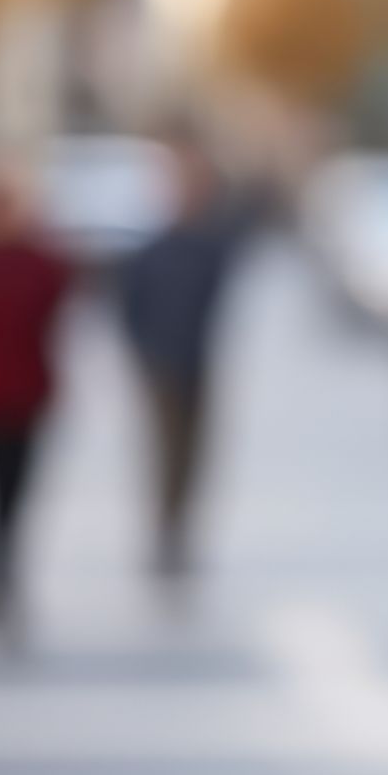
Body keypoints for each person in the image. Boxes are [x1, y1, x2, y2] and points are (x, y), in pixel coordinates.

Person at [114, 136, 250, 581]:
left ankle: (180, 531)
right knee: (167, 452)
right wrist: (144, 352)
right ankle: (166, 532)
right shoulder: (153, 251)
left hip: (197, 361)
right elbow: (129, 308)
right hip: (161, 365)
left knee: (195, 454)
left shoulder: (210, 246)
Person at [0, 157, 74, 631]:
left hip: (28, 391)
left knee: (20, 484)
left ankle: (3, 558)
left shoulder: (38, 258)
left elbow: (58, 297)